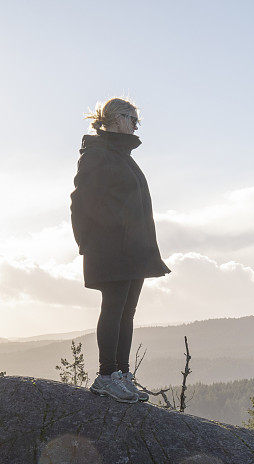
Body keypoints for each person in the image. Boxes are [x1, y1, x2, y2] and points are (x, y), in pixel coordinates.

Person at [70, 97, 171, 403]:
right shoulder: (98, 154)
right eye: (132, 118)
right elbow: (80, 202)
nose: (135, 125)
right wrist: (90, 242)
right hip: (111, 247)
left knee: (127, 311)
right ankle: (105, 376)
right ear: (115, 119)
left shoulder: (123, 156)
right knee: (114, 309)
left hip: (134, 249)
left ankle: (122, 375)